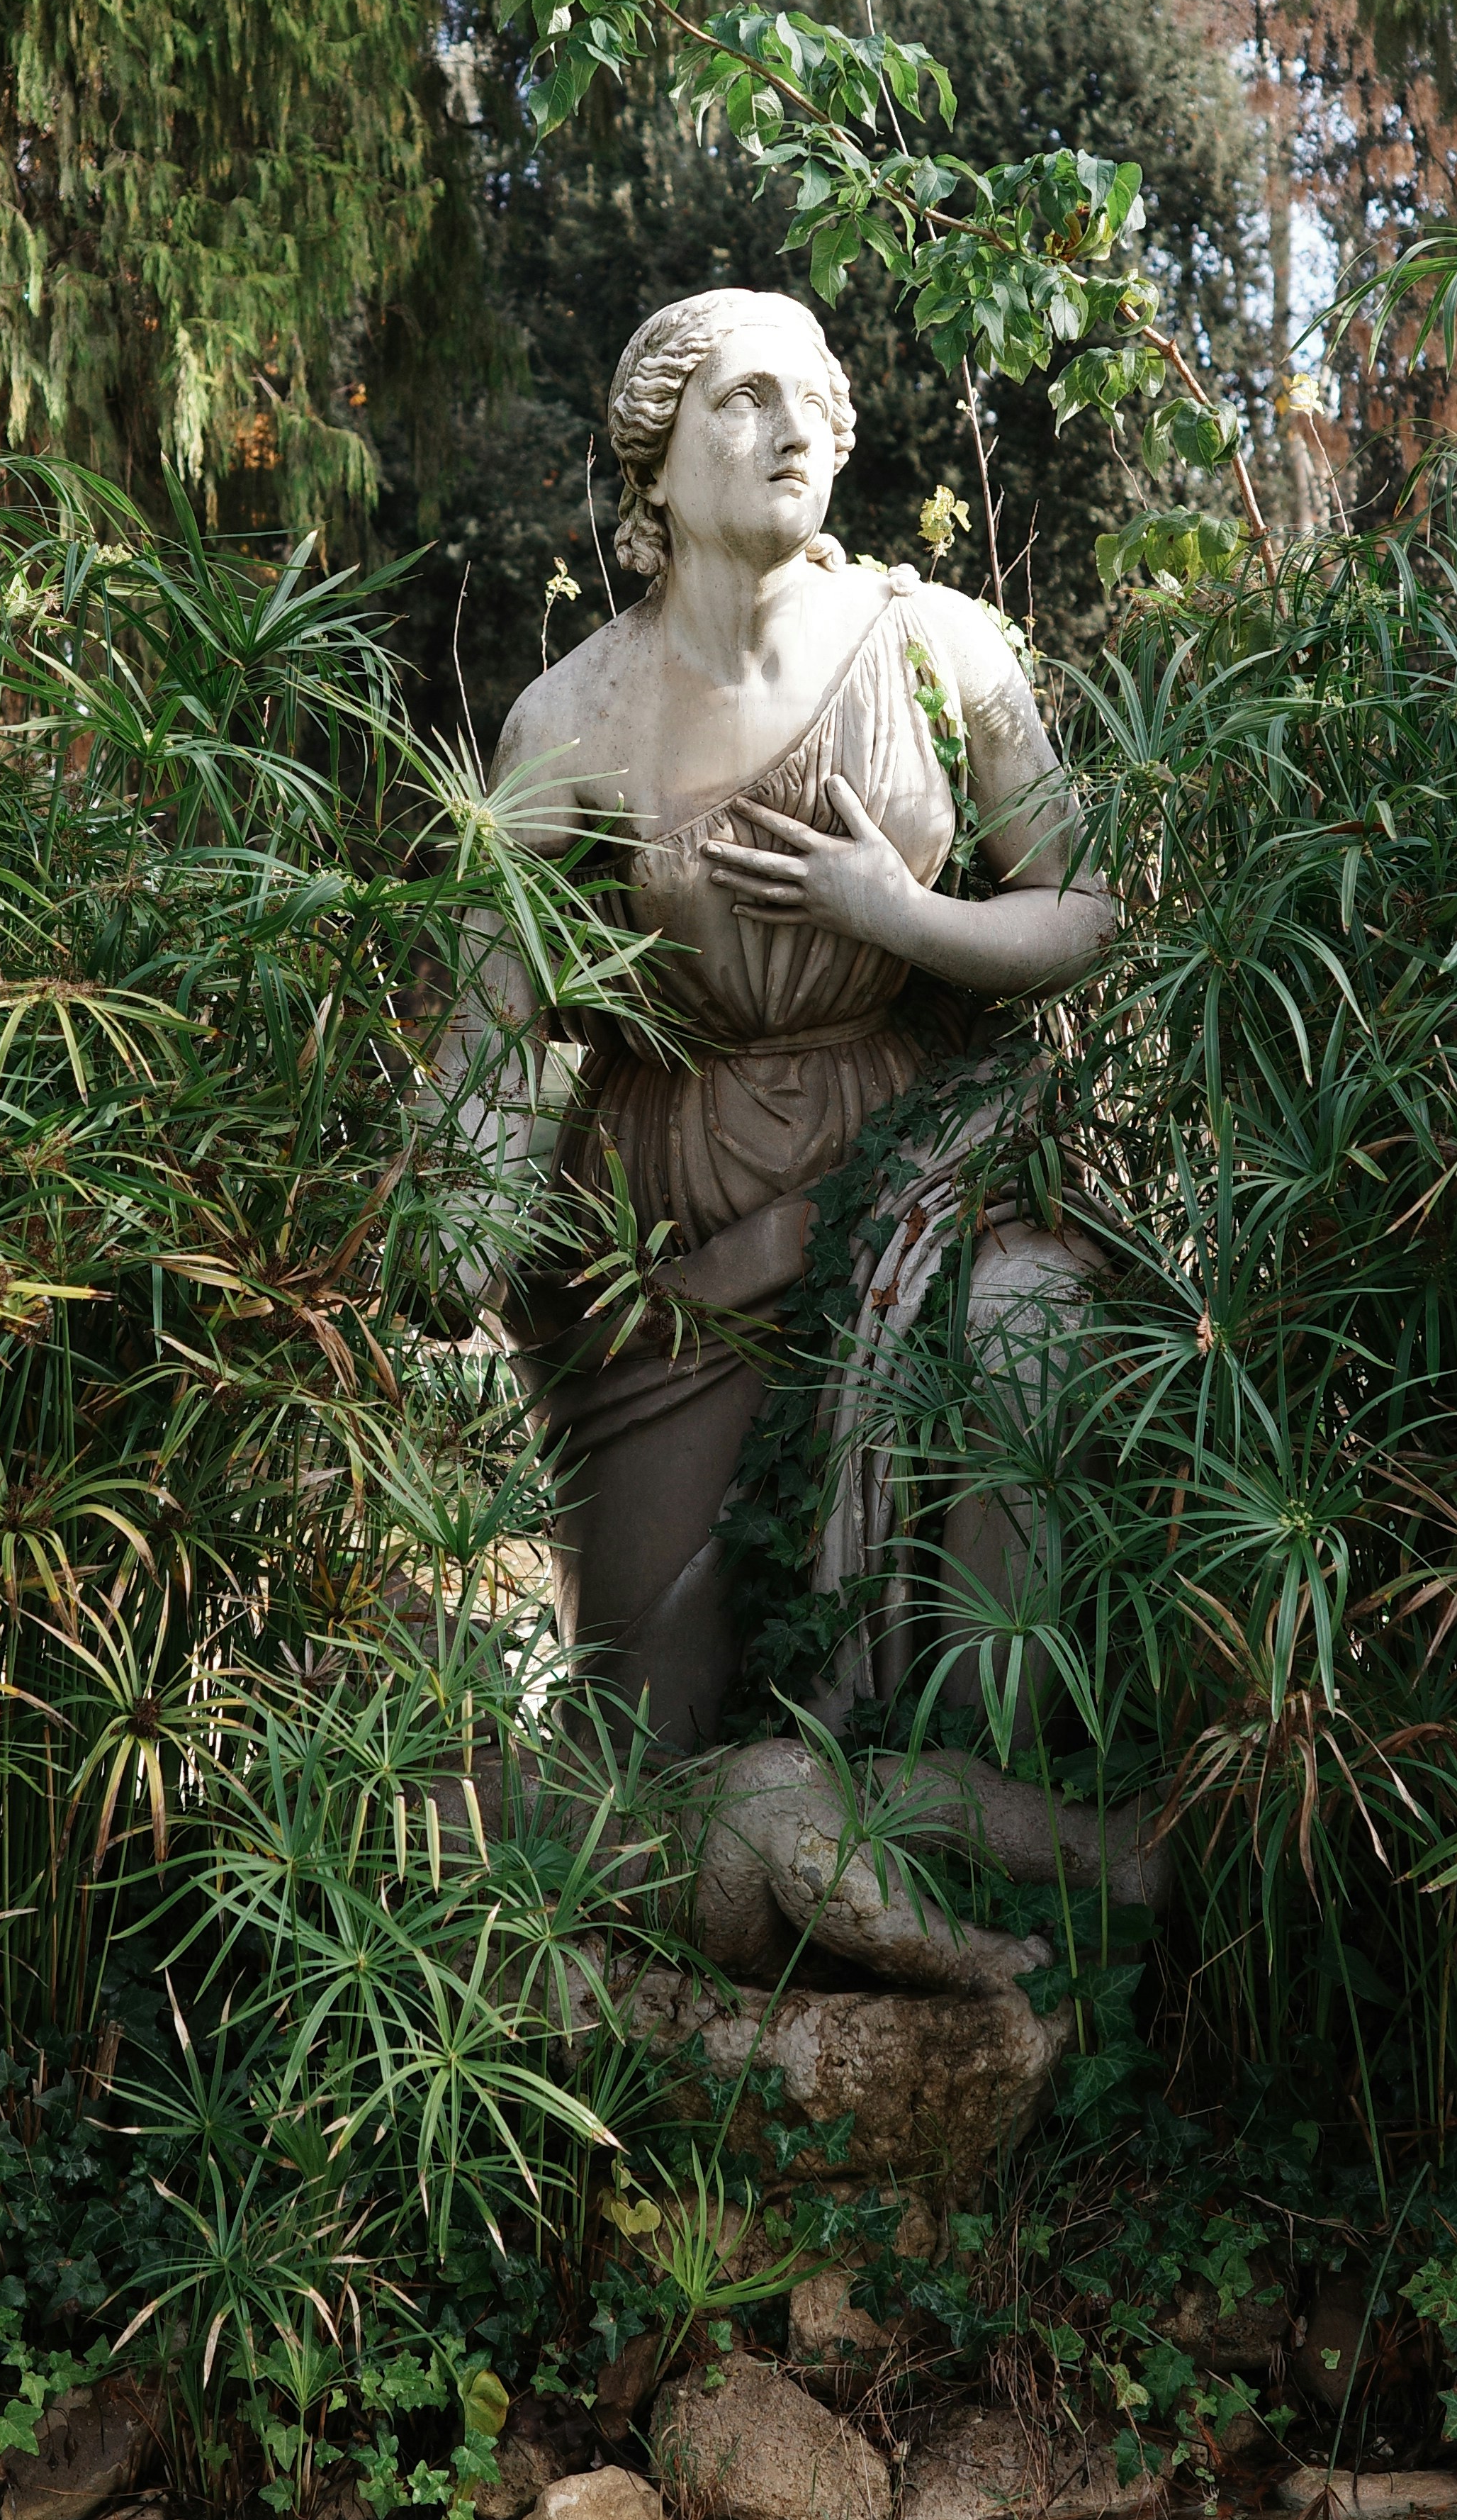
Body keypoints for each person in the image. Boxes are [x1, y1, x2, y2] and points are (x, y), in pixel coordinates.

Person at [454, 285, 1114, 1751]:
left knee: (1025, 1335)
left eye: (815, 398)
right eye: (744, 399)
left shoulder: (939, 648)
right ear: (653, 454)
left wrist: (904, 921)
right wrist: (457, 1231)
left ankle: (983, 1834)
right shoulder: (564, 719)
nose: (793, 426)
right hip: (658, 1228)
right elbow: (492, 1024)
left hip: (904, 1172)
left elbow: (1087, 902)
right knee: (655, 1728)